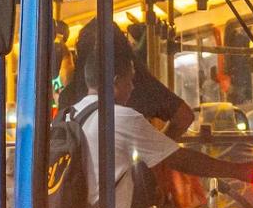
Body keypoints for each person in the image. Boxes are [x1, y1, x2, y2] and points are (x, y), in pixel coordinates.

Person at [67, 48, 253, 208]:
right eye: (130, 81)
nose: (132, 89)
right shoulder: (120, 118)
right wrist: (239, 171)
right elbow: (181, 159)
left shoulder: (69, 116)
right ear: (115, 82)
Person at [61, 22, 195, 138]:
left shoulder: (69, 97)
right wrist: (156, 152)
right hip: (129, 165)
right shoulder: (138, 85)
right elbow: (183, 116)